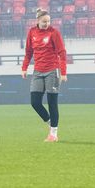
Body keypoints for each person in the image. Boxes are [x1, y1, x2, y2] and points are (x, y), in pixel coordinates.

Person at [22, 8, 67, 141]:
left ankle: (53, 134)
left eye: (48, 21)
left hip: (52, 71)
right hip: (38, 71)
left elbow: (62, 53)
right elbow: (28, 52)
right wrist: (24, 68)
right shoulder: (32, 32)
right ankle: (50, 122)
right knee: (35, 102)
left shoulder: (54, 33)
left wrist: (63, 72)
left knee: (52, 102)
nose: (46, 24)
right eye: (44, 21)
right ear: (37, 21)